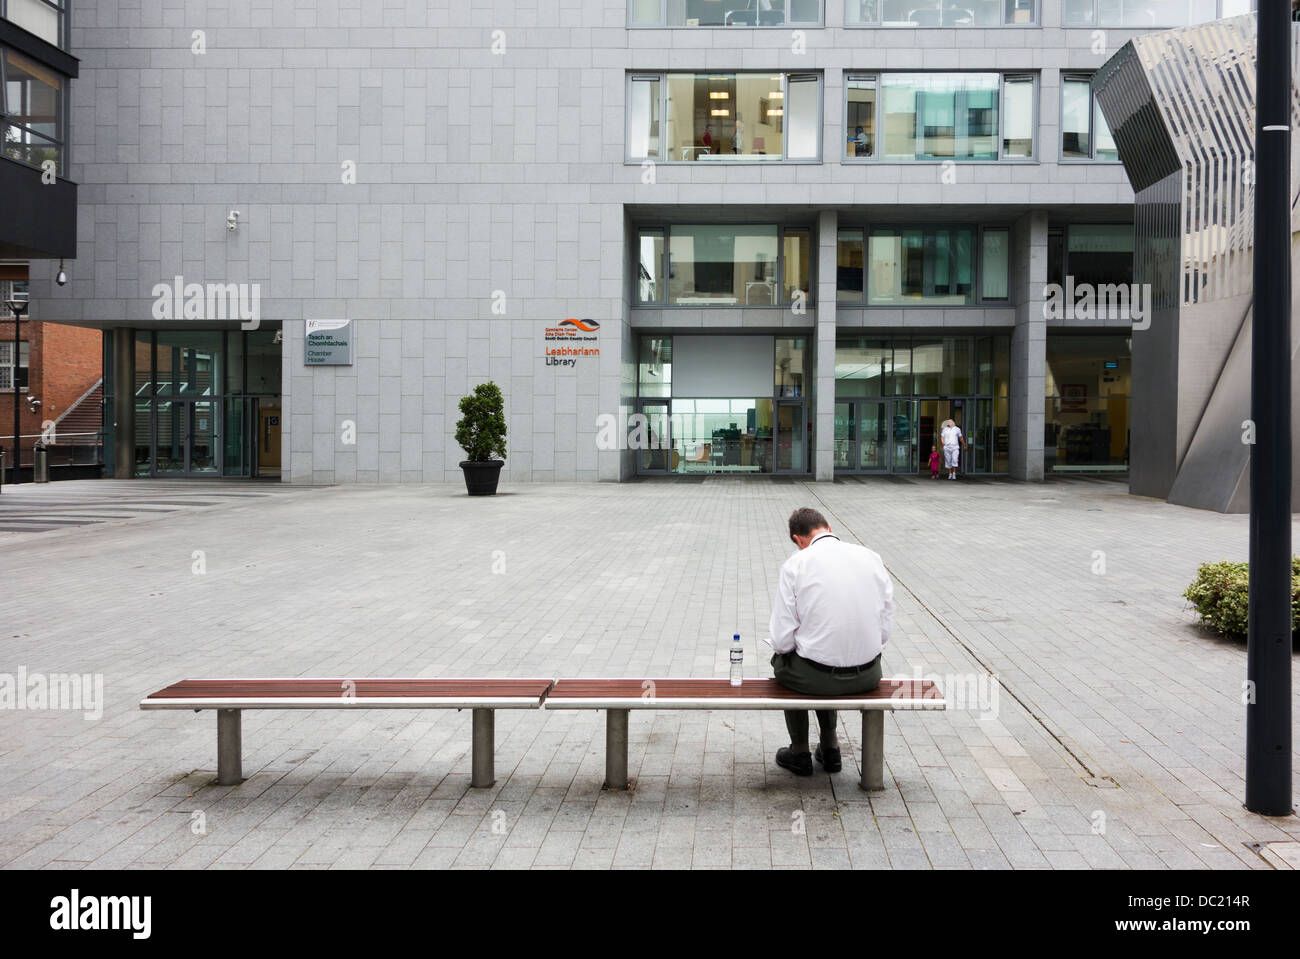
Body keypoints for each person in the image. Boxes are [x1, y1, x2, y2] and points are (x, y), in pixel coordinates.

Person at [767, 507, 894, 776]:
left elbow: (781, 638)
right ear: (829, 528)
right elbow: (885, 622)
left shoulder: (796, 564)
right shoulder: (871, 557)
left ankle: (799, 751)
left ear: (798, 540)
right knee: (821, 656)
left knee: (786, 660)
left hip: (816, 677)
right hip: (869, 674)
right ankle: (830, 747)